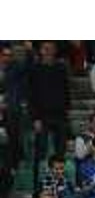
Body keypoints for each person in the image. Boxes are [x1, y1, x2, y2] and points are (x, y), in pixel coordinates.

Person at [29, 41, 70, 189]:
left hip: (60, 116)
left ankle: (60, 188)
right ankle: (38, 189)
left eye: (51, 49)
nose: (48, 51)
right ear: (40, 51)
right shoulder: (35, 69)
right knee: (40, 155)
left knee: (60, 155)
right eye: (45, 49)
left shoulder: (61, 68)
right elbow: (31, 95)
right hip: (42, 117)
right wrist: (35, 118)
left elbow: (66, 91)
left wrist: (66, 113)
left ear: (55, 51)